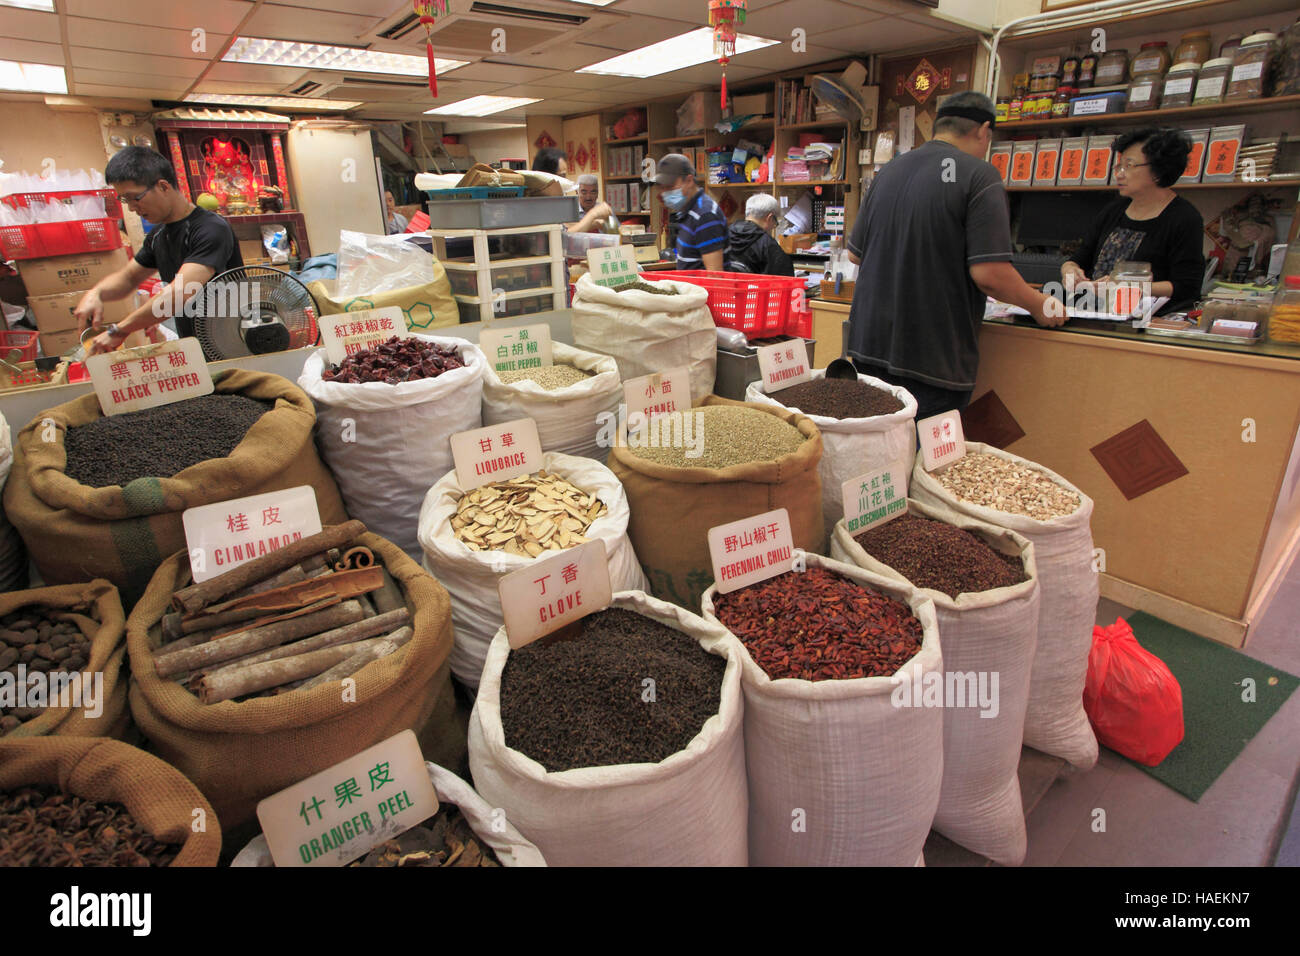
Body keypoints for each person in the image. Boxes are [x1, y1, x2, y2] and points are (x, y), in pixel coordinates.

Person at [845, 91, 1062, 420]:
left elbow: (855, 255)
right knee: (921, 463)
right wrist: (1041, 304)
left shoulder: (888, 172)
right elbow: (990, 275)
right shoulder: (979, 175)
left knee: (875, 452)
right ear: (983, 130)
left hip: (868, 346)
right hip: (930, 357)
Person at [73, 147, 241, 355]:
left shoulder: (210, 228)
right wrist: (96, 293)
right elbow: (127, 279)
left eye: (135, 197)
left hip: (232, 345)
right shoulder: (159, 235)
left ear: (163, 186)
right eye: (125, 200)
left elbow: (180, 292)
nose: (132, 208)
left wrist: (120, 329)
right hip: (197, 346)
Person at [1060, 127, 1204, 314]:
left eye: (1129, 166)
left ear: (1158, 171)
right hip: (1094, 311)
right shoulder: (1114, 210)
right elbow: (1078, 259)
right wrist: (1070, 270)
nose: (1119, 173)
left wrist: (1129, 287)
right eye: (1119, 166)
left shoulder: (1184, 218)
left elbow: (1186, 286)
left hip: (1145, 318)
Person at [654, 153, 727, 271]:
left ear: (689, 180)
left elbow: (715, 275)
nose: (665, 192)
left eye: (670, 186)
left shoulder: (705, 215)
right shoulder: (687, 212)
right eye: (662, 187)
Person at [728, 193, 794, 275]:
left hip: (723, 287)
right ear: (769, 218)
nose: (774, 226)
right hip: (755, 287)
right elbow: (785, 278)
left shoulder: (724, 235)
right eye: (775, 222)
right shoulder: (767, 244)